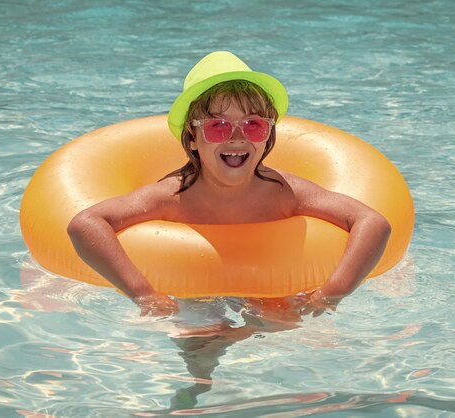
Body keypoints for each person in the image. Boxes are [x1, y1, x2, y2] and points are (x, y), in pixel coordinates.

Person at [67, 51, 391, 318]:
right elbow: (86, 223)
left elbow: (372, 222)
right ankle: (196, 390)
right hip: (195, 289)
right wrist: (144, 295)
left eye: (253, 125)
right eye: (218, 127)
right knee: (201, 339)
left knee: (283, 323)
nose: (237, 137)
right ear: (192, 139)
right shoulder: (172, 196)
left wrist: (330, 295)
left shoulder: (283, 192)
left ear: (268, 136)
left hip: (267, 287)